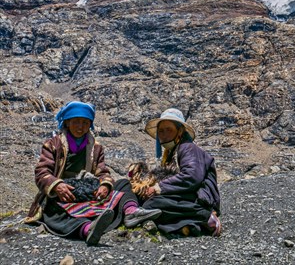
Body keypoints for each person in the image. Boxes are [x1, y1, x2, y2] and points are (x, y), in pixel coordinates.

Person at [25, 101, 161, 245]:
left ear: (90, 125)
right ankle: (88, 229)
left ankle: (131, 212)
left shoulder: (96, 148)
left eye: (85, 122)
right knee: (53, 211)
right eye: (76, 121)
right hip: (63, 196)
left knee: (123, 184)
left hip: (87, 193)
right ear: (67, 122)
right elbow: (42, 172)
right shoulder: (53, 144)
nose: (80, 126)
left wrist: (105, 185)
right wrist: (57, 186)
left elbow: (102, 172)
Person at [141, 108, 221, 236]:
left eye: (169, 130)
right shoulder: (172, 153)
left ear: (180, 131)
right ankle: (189, 225)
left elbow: (192, 177)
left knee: (152, 204)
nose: (164, 134)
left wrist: (159, 187)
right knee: (146, 205)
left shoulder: (188, 148)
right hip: (184, 195)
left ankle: (205, 216)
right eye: (161, 131)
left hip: (199, 198)